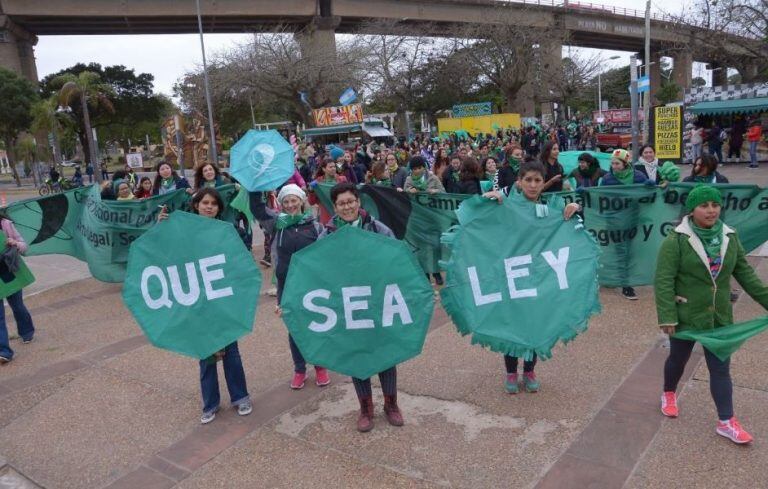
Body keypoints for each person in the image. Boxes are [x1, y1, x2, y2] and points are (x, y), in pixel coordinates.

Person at [655, 184, 768, 444]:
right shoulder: (677, 239)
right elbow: (663, 279)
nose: (710, 210)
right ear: (692, 209)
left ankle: (726, 421)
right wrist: (667, 316)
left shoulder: (730, 236)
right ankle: (669, 392)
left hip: (718, 317)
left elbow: (747, 276)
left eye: (715, 205)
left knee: (720, 369)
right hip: (686, 315)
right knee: (678, 359)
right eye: (704, 206)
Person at [482, 161, 581, 394]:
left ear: (543, 183)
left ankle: (529, 370)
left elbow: (574, 227)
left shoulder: (549, 210)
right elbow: (483, 220)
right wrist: (488, 199)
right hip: (512, 278)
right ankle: (510, 372)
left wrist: (574, 207)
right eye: (528, 180)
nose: (533, 185)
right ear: (519, 182)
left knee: (536, 324)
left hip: (539, 279)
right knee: (512, 325)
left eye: (538, 180)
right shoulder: (505, 205)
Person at [157, 188, 253, 424]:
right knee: (205, 352)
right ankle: (210, 404)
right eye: (204, 203)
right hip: (197, 300)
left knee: (231, 351)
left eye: (213, 204)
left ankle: (240, 397)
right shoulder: (183, 232)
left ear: (219, 209)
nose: (209, 207)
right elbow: (165, 250)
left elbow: (241, 255)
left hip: (222, 298)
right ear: (196, 205)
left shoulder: (226, 231)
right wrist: (161, 226)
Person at [319, 182, 402, 432]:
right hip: (349, 304)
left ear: (359, 202)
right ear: (335, 207)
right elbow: (317, 268)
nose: (347, 207)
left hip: (377, 300)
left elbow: (397, 259)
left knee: (385, 352)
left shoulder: (377, 228)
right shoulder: (328, 233)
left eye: (351, 201)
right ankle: (365, 407)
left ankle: (391, 404)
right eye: (341, 203)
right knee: (357, 352)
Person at [271, 184, 330, 390]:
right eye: (286, 201)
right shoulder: (277, 225)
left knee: (316, 326)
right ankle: (299, 370)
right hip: (287, 285)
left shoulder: (315, 226)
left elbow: (326, 253)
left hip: (312, 285)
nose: (290, 205)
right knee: (295, 329)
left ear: (302, 201)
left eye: (294, 200)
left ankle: (320, 366)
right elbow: (258, 209)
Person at [600, 149, 649, 300]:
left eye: (617, 163)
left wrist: (650, 187)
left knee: (630, 251)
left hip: (633, 220)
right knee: (621, 251)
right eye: (612, 163)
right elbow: (600, 197)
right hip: (615, 222)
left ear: (625, 163)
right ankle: (625, 284)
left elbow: (647, 195)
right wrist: (587, 193)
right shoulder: (607, 179)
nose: (614, 166)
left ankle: (621, 278)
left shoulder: (638, 176)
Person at [0, 214, 36, 364]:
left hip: (9, 271)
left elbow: (23, 245)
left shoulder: (5, 224)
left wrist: (14, 242)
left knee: (17, 306)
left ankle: (27, 331)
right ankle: (4, 351)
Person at [308, 157, 348, 225]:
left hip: (343, 213)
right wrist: (311, 191)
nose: (333, 169)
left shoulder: (342, 180)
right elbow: (311, 202)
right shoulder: (317, 183)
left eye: (334, 167)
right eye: (330, 167)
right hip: (326, 216)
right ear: (324, 169)